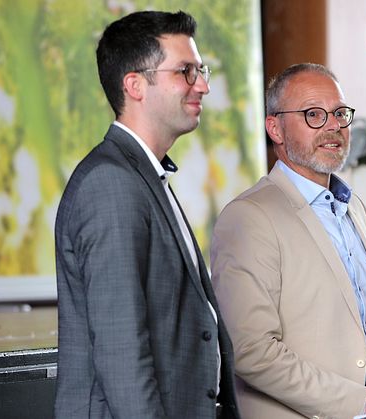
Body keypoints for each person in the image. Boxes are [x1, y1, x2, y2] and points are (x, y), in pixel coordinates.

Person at [54, 11, 239, 419]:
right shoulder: (110, 183)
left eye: (201, 70)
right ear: (135, 85)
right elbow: (122, 354)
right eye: (186, 72)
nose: (203, 85)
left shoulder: (144, 174)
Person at [211, 63, 366, 418]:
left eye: (340, 113)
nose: (333, 126)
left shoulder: (355, 208)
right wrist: (359, 401)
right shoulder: (248, 216)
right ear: (274, 128)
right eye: (313, 114)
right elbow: (250, 350)